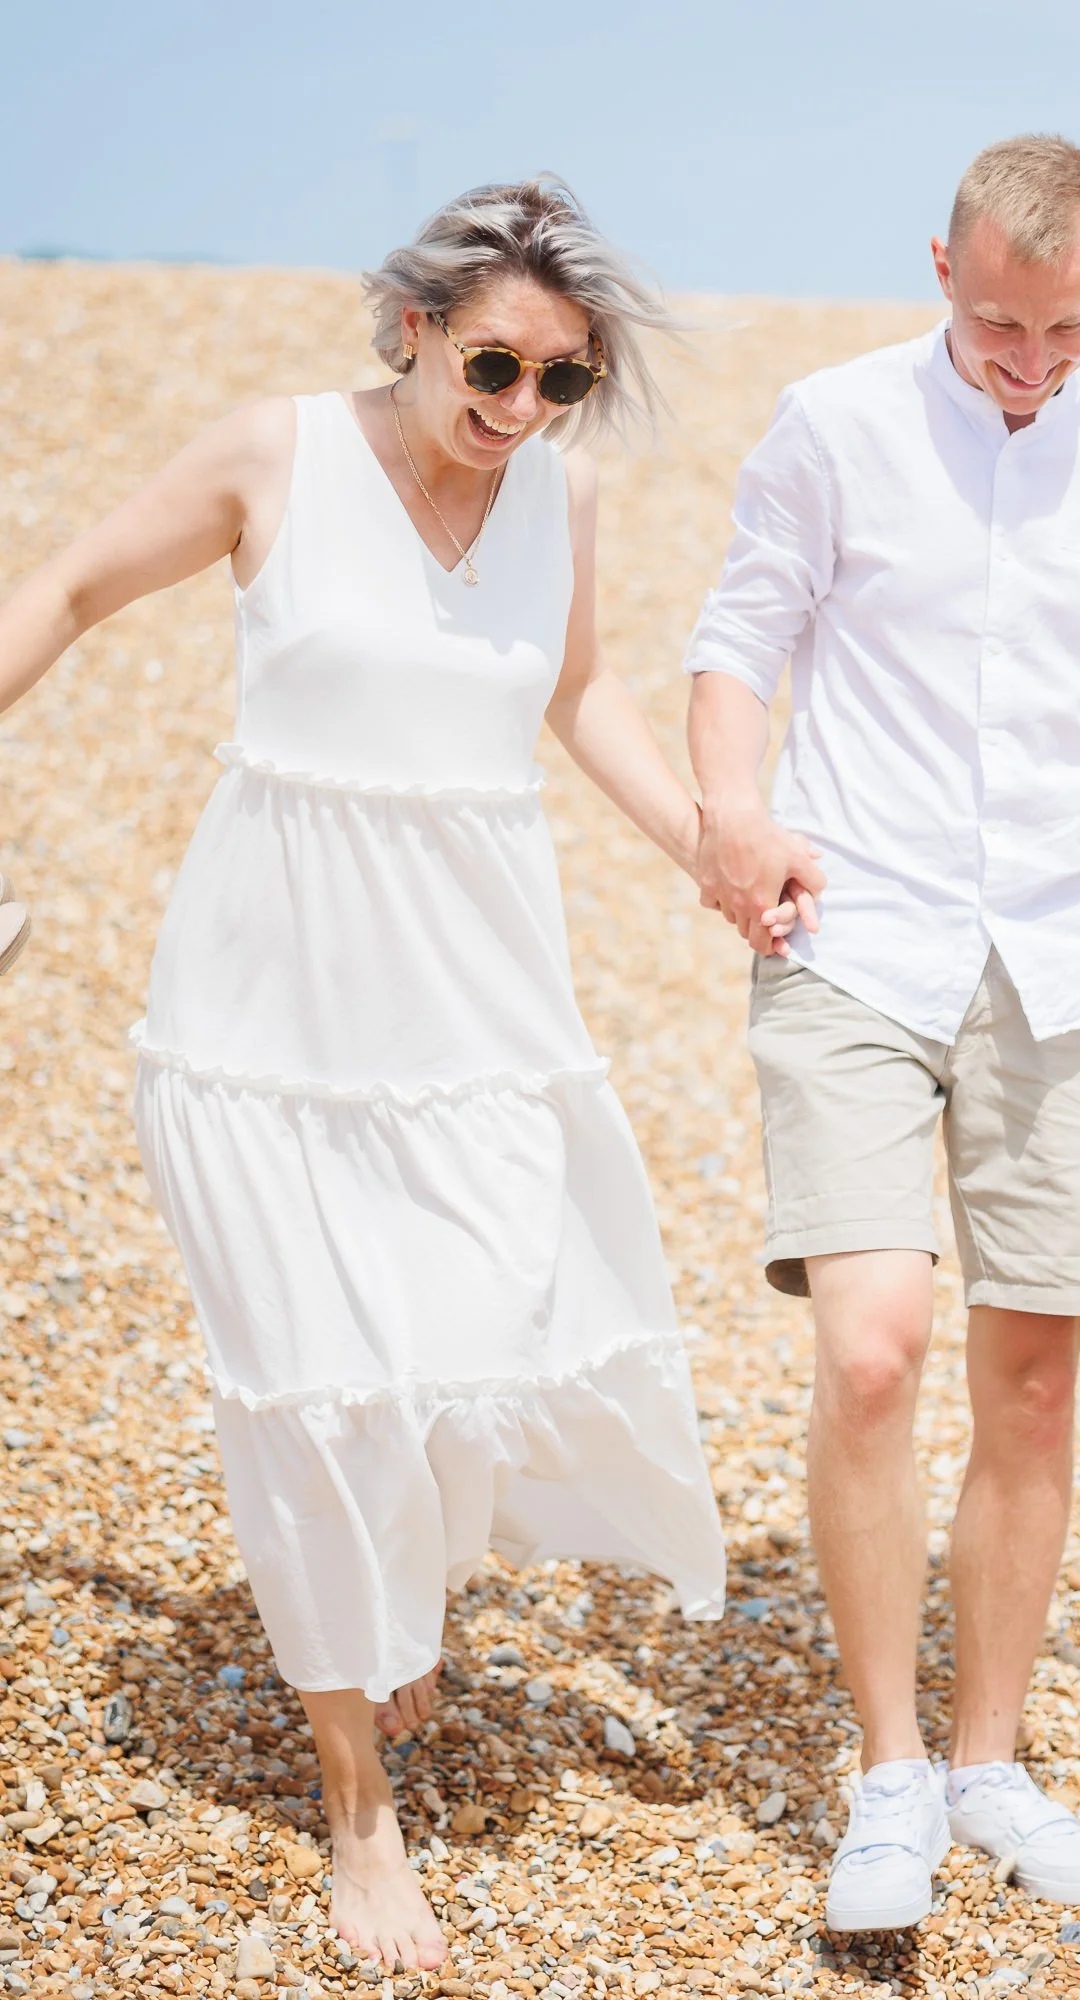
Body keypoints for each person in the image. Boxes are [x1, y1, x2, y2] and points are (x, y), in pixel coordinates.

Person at [0, 178, 758, 1974]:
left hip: (478, 1003)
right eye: (492, 362)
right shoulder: (274, 455)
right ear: (411, 325)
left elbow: (580, 695)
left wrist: (710, 848)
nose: (517, 406)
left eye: (559, 380)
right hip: (265, 1014)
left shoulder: (561, 497)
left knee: (473, 1336)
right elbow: (76, 587)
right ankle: (360, 1812)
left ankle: (388, 1584)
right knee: (320, 1376)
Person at [686, 132, 1080, 1930]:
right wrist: (736, 811)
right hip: (851, 941)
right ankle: (888, 1773)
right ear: (940, 273)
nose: (1034, 364)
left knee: (1035, 1377)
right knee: (877, 1348)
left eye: (1069, 329)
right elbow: (736, 642)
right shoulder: (831, 424)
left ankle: (989, 1761)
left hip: (1061, 961)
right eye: (1000, 327)